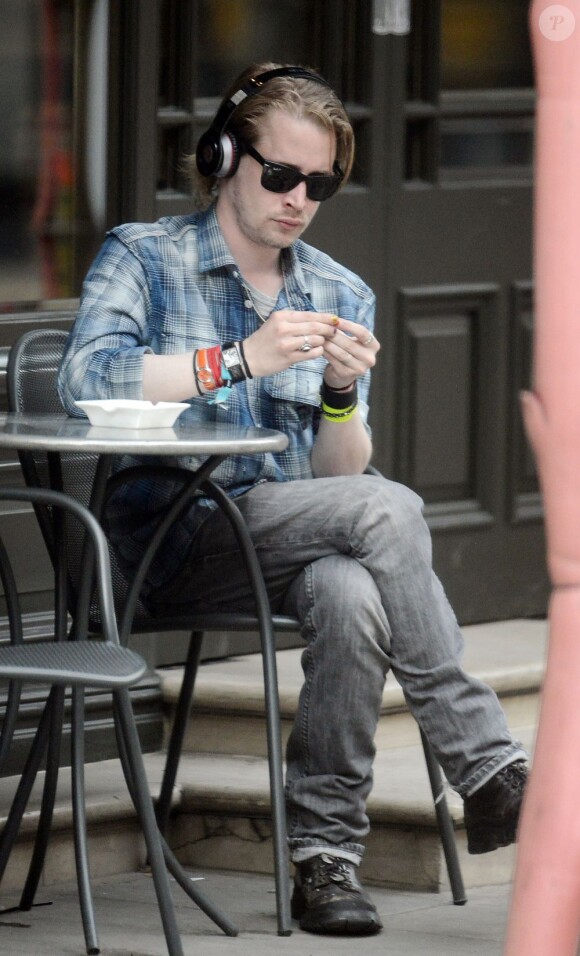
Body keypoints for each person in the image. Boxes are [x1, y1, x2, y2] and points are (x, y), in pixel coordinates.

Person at [58, 62, 528, 937]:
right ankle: (489, 767)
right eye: (280, 175)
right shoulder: (145, 256)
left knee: (352, 591)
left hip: (275, 539)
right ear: (224, 156)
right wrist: (241, 358)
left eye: (319, 184)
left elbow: (339, 479)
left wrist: (343, 394)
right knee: (392, 508)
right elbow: (87, 377)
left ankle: (325, 860)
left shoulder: (337, 290)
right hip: (164, 541)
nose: (297, 199)